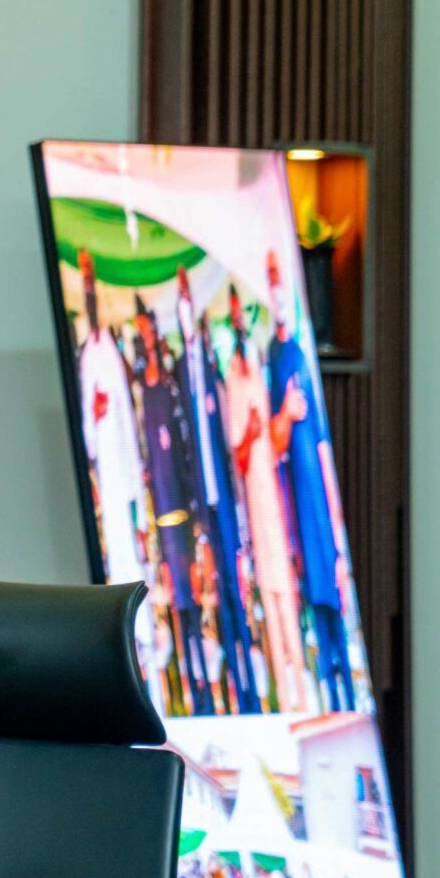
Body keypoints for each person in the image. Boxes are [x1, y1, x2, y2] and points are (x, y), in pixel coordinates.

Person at [265, 254, 357, 713]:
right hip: (296, 514)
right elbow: (274, 441)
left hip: (320, 512)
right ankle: (331, 701)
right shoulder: (272, 358)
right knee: (316, 614)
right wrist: (284, 411)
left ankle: (349, 699)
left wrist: (337, 523)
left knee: (335, 606)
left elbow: (321, 442)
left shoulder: (302, 352)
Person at [178, 273, 262, 711]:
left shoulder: (214, 370)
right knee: (209, 590)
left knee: (233, 588)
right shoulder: (180, 369)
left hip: (226, 499)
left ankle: (249, 686)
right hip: (199, 505)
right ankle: (226, 687)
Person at [224, 287, 308, 715]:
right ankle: (285, 696)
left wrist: (275, 424)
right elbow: (238, 455)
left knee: (286, 589)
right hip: (255, 501)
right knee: (271, 594)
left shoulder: (258, 370)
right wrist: (253, 432)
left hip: (274, 497)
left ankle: (302, 690)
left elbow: (276, 443)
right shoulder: (231, 382)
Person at [136, 306, 215, 716]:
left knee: (192, 599)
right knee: (175, 603)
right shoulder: (143, 397)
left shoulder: (168, 391)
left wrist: (196, 511)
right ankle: (187, 681)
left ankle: (202, 681)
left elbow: (183, 451)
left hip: (181, 514)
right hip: (161, 519)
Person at [74, 252, 152, 587]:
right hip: (106, 462)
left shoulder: (110, 351)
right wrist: (94, 414)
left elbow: (124, 406)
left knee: (134, 535)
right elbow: (88, 431)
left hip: (123, 455)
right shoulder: (87, 355)